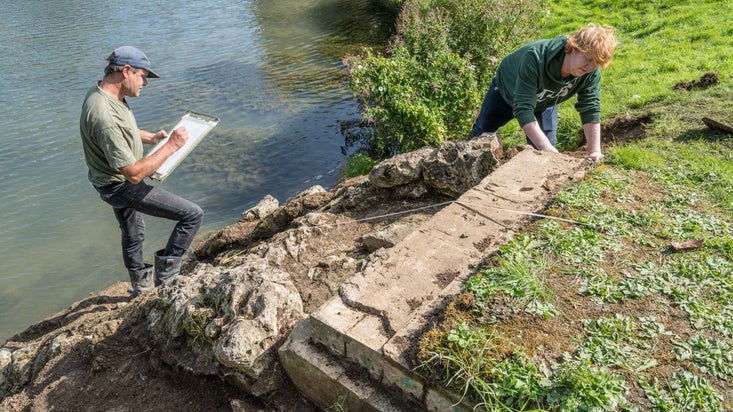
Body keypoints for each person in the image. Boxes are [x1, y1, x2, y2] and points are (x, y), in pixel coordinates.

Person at [79, 46, 204, 296]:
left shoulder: (102, 94)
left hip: (107, 180)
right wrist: (170, 146)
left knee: (133, 232)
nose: (145, 82)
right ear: (126, 71)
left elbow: (120, 133)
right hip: (121, 186)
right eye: (143, 76)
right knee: (191, 215)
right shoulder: (105, 116)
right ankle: (167, 280)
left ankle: (141, 288)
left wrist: (151, 138)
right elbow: (134, 174)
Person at [469, 23, 618, 161]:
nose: (590, 67)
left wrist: (595, 151)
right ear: (574, 48)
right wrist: (546, 147)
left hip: (546, 102)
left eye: (596, 63)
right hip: (505, 93)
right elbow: (523, 109)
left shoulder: (590, 72)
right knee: (480, 135)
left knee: (545, 151)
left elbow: (590, 107)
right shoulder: (535, 57)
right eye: (587, 59)